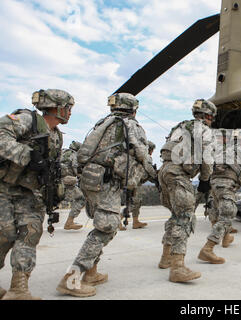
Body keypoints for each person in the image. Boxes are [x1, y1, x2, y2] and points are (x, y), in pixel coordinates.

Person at [56, 93, 157, 297]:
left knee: (101, 224)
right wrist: (154, 174)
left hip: (91, 179)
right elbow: (141, 152)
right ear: (134, 109)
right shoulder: (131, 125)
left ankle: (91, 273)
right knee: (107, 226)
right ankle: (72, 278)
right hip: (107, 182)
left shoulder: (103, 123)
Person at [0, 89, 74, 300]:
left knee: (30, 233)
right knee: (4, 235)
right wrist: (28, 155)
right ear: (57, 108)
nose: (69, 113)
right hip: (4, 187)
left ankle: (19, 289)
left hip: (30, 193)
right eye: (68, 109)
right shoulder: (27, 120)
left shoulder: (56, 135)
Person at [157, 99, 215, 282]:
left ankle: (166, 258)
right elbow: (207, 157)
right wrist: (205, 180)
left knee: (175, 215)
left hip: (164, 171)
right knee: (185, 217)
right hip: (179, 174)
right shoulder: (204, 130)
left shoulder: (179, 127)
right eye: (211, 118)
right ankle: (178, 267)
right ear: (207, 116)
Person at [198, 129, 241, 264]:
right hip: (226, 186)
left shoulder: (222, 151)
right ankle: (207, 249)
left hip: (213, 185)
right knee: (228, 214)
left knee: (216, 211)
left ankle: (226, 238)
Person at [129, 140, 157, 229]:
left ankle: (135, 222)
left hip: (134, 181)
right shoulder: (147, 157)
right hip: (136, 182)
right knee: (135, 202)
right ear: (150, 149)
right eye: (152, 150)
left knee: (137, 202)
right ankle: (120, 219)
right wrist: (156, 176)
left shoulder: (137, 157)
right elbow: (149, 168)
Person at [60, 140, 86, 230]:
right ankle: (69, 222)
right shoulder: (73, 155)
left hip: (55, 182)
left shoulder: (62, 152)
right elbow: (77, 170)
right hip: (67, 184)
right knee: (81, 199)